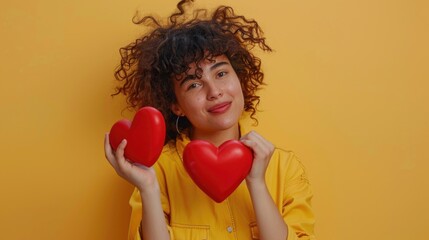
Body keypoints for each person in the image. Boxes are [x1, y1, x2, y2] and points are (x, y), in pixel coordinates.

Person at [104, 0, 316, 239]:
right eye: (194, 84)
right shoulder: (158, 170)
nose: (214, 91)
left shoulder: (285, 168)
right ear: (176, 105)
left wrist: (256, 182)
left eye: (221, 73)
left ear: (240, 79)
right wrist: (148, 188)